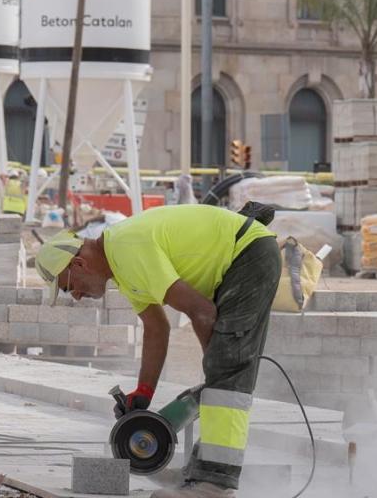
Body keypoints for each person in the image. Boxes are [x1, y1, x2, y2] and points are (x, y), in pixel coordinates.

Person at [36, 205, 280, 498]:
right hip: (237, 260)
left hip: (248, 255)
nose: (75, 295)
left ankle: (215, 485)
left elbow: (201, 313)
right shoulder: (120, 265)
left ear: (78, 264)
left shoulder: (127, 249)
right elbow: (156, 328)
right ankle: (200, 472)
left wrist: (219, 372)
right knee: (222, 376)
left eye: (67, 287)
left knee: (227, 372)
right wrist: (143, 392)